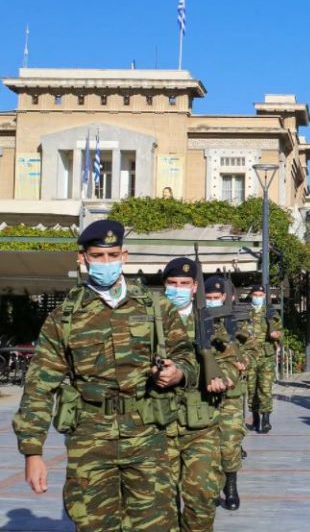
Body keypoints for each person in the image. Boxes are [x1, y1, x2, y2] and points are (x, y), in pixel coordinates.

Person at [12, 220, 198, 531]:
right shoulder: (65, 317)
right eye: (98, 256)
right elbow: (40, 385)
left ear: (124, 256)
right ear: (81, 259)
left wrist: (178, 373)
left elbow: (187, 357)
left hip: (147, 435)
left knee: (157, 525)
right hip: (90, 440)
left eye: (113, 255)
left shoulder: (155, 307)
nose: (106, 263)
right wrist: (33, 452)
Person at [162, 257, 239, 529]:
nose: (178, 288)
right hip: (159, 423)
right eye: (172, 283)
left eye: (184, 283)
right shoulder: (151, 321)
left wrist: (223, 378)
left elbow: (231, 360)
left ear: (195, 287)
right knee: (161, 503)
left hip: (201, 423)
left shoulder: (209, 321)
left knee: (202, 498)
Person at [205, 277, 247, 511]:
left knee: (230, 443)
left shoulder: (235, 322)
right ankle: (210, 487)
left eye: (216, 298)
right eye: (208, 298)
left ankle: (231, 486)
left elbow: (250, 348)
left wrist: (242, 364)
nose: (212, 302)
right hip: (204, 394)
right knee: (208, 447)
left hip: (231, 394)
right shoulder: (195, 322)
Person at [247, 284, 282, 434]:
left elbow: (280, 331)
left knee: (265, 388)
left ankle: (266, 418)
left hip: (266, 355)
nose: (258, 297)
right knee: (251, 388)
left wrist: (277, 335)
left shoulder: (271, 312)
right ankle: (255, 417)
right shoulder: (245, 313)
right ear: (251, 295)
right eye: (255, 295)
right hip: (250, 355)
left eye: (260, 295)